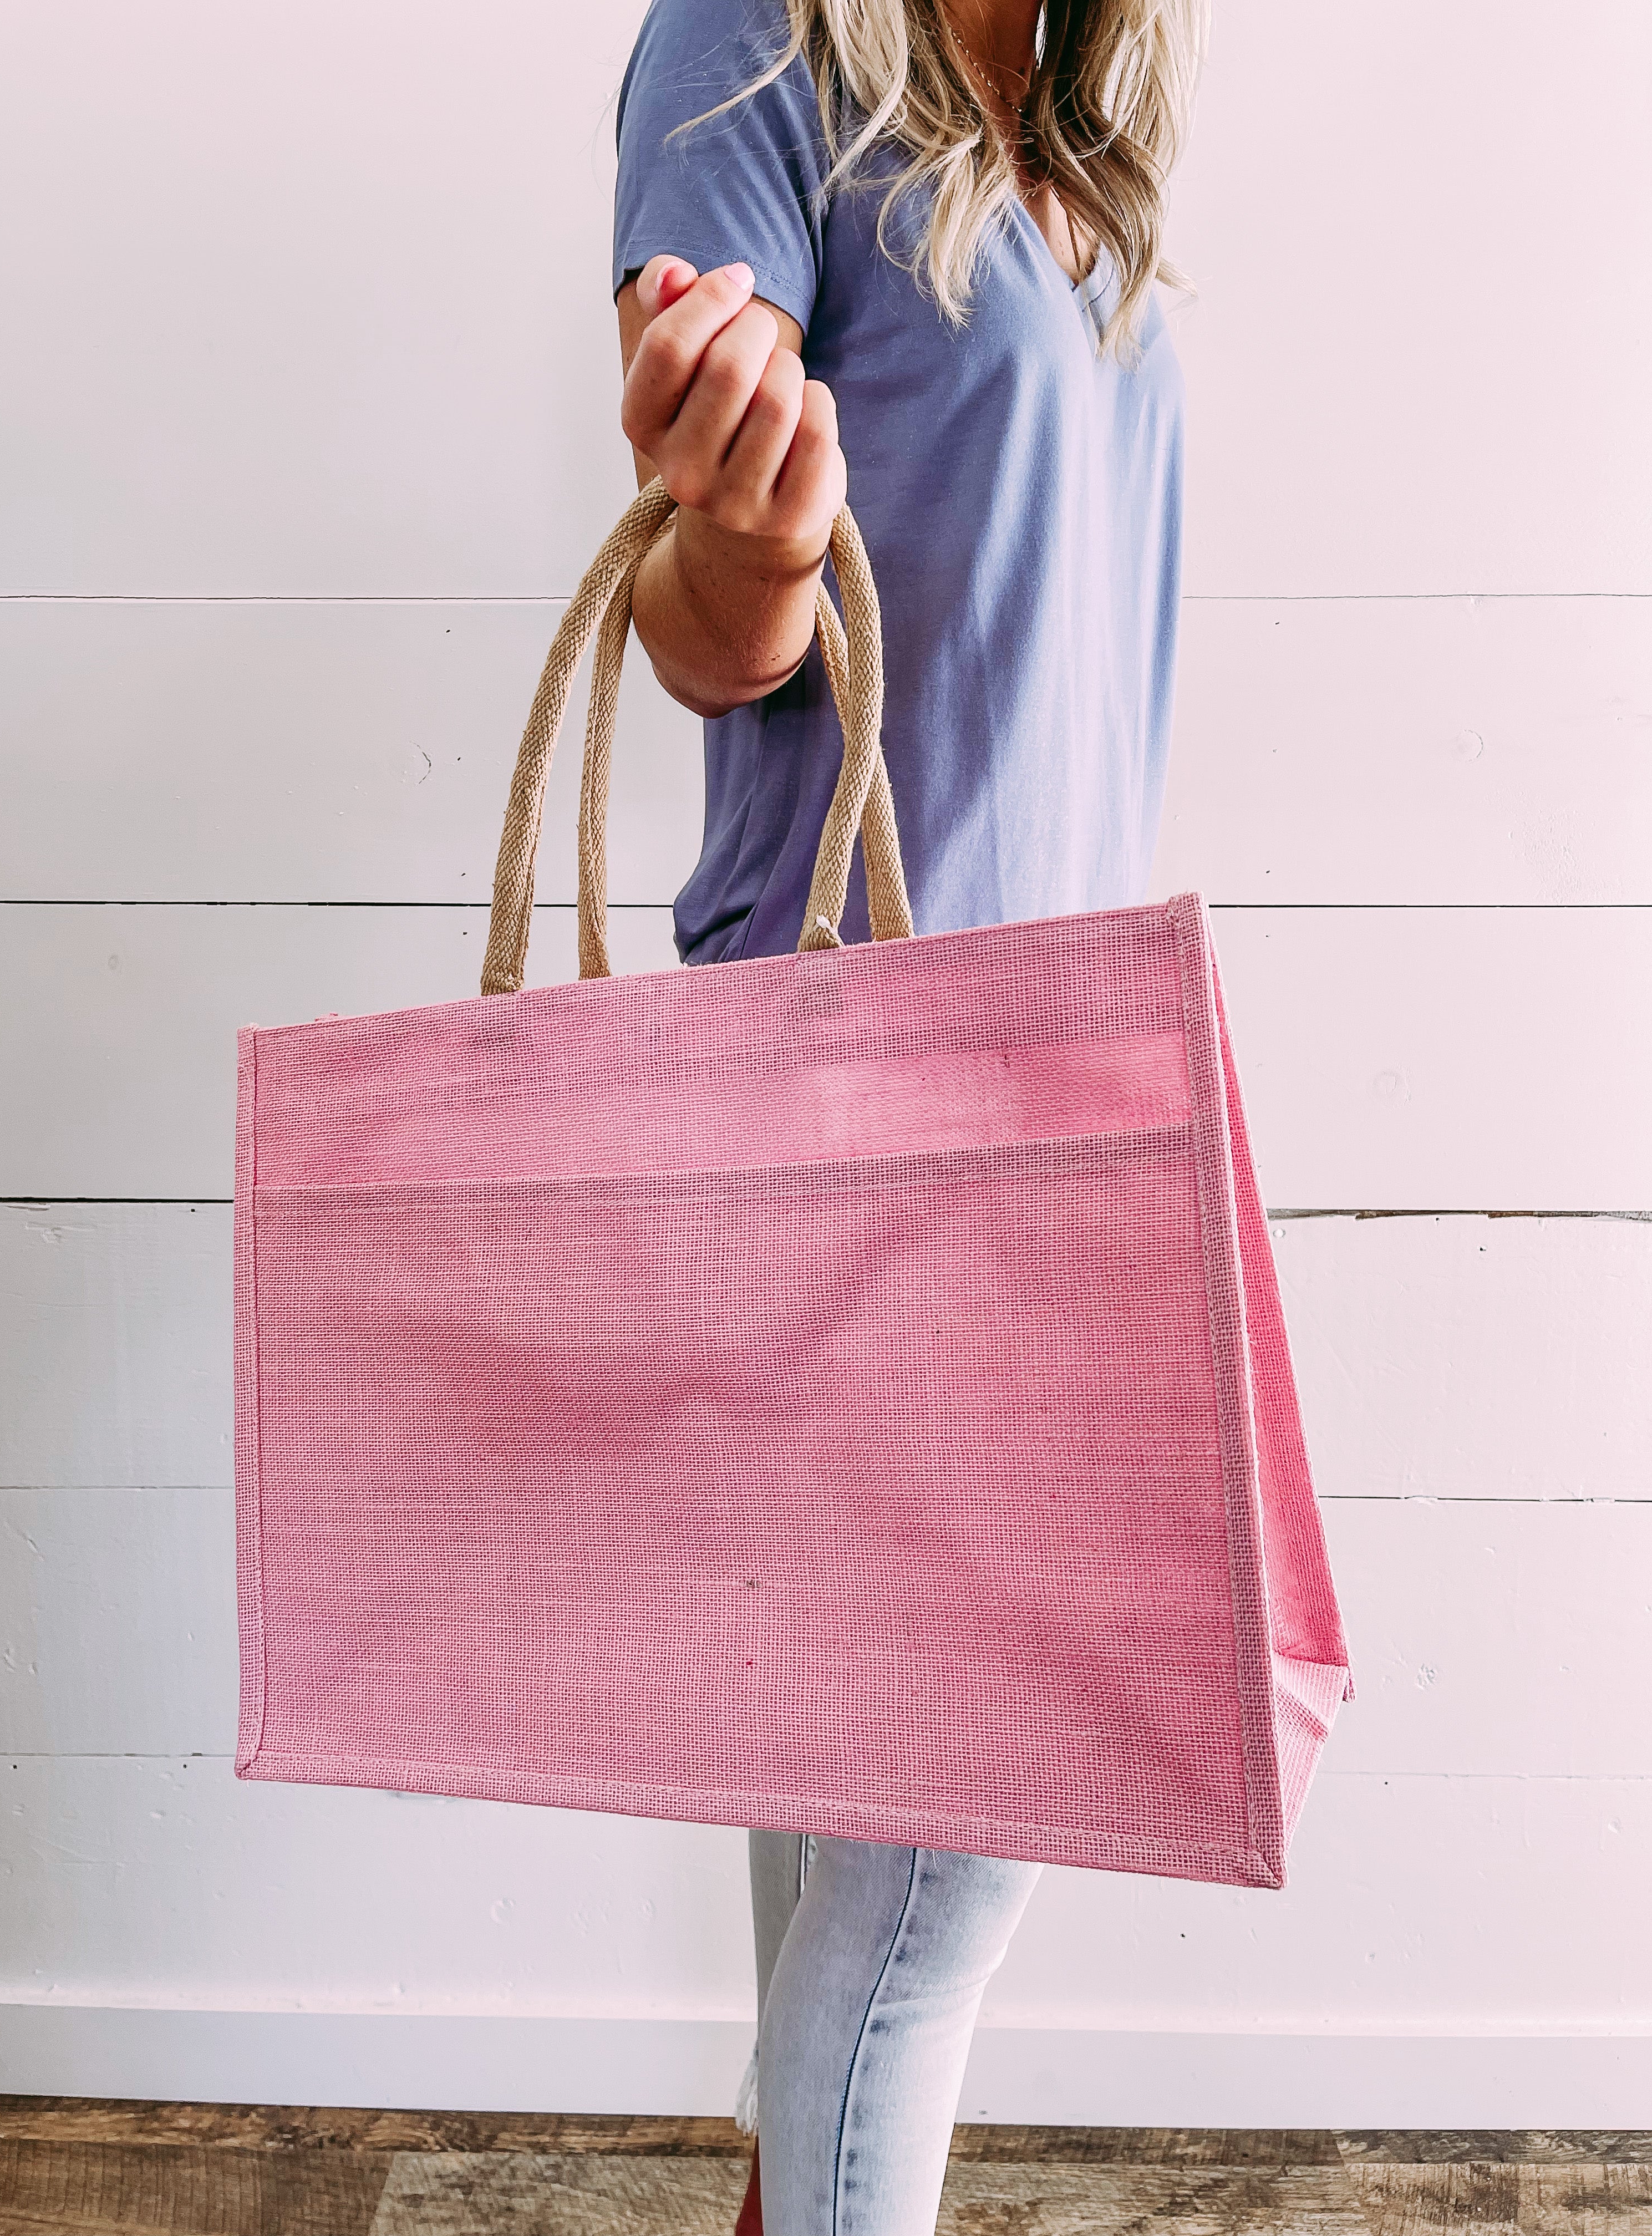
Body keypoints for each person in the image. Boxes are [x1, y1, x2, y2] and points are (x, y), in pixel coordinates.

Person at [611, 0, 1204, 2227]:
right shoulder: (752, 53)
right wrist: (751, 539)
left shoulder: (1064, 134)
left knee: (855, 1794)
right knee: (947, 1862)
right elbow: (703, 620)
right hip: (860, 1077)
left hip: (1062, 1077)